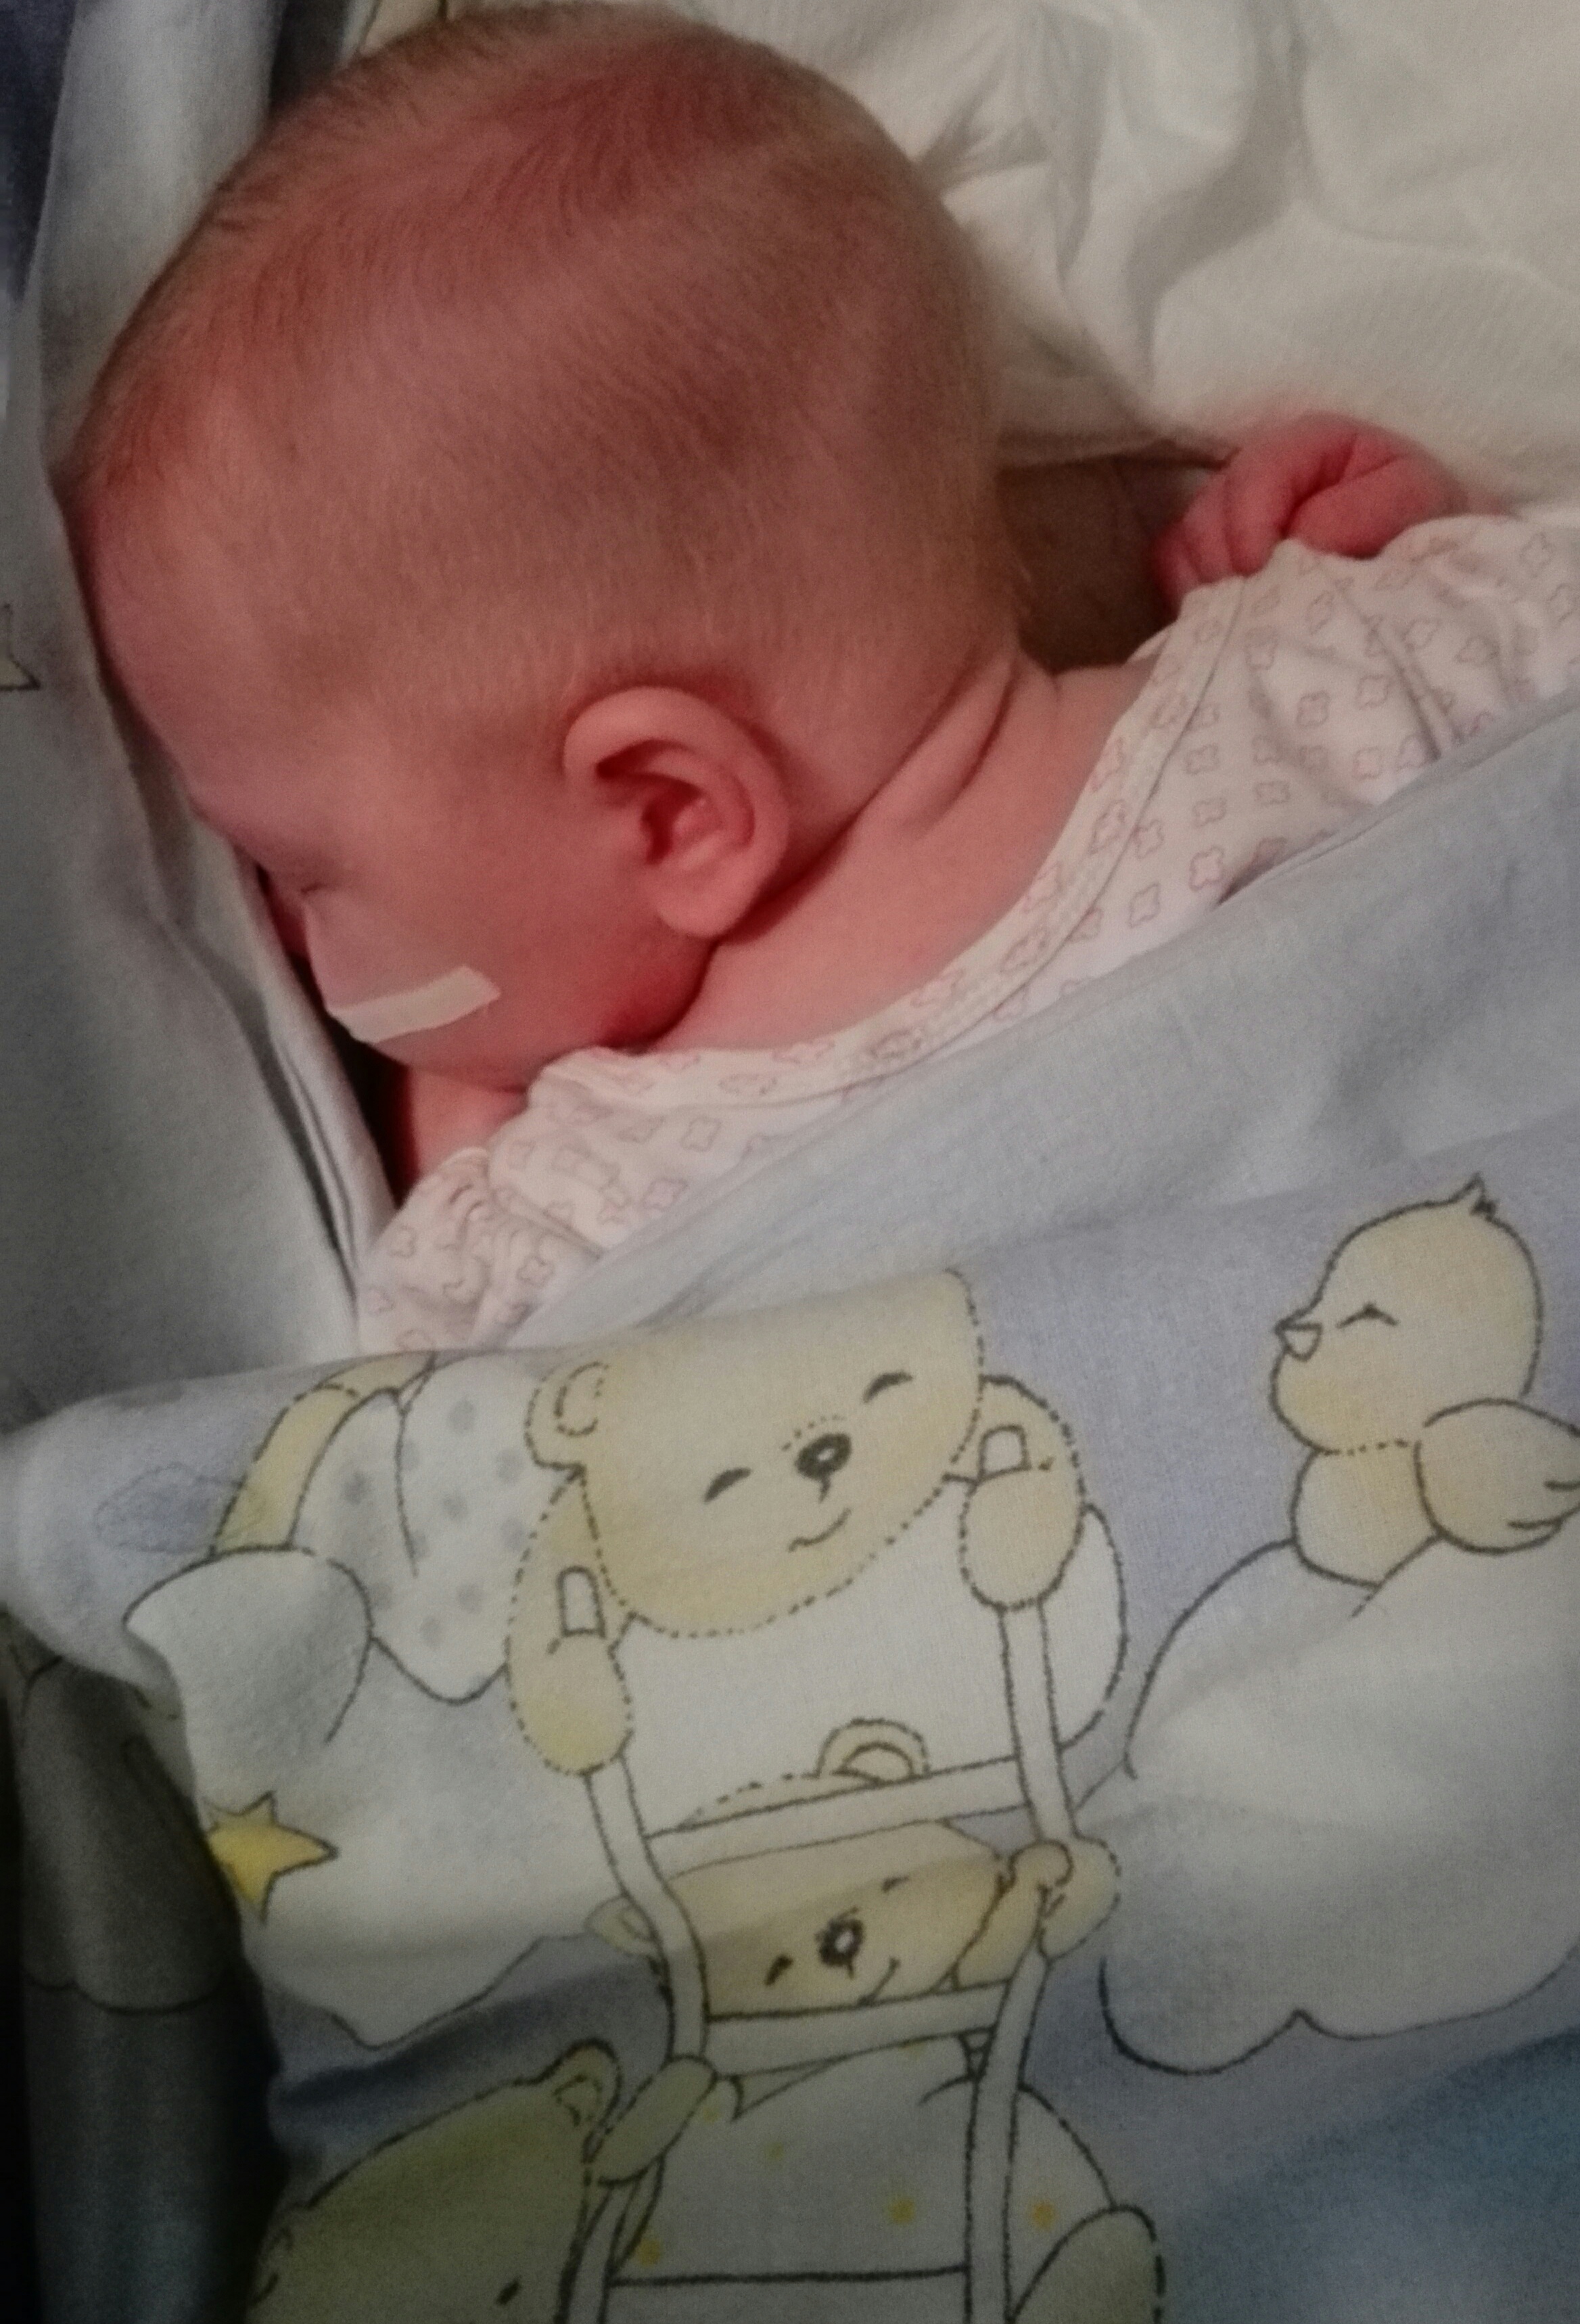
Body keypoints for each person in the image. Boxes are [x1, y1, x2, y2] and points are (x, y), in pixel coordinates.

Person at [60, 3, 1577, 1348]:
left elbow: (434, 1480)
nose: (275, 934)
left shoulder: (578, 1203)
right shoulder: (1339, 673)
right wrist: (1411, 549)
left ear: (670, 810)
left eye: (302, 869)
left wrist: (450, 1142)